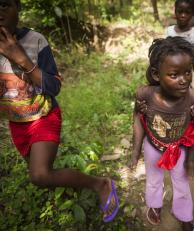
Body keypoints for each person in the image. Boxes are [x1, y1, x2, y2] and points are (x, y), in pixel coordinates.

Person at [0, 0, 118, 223]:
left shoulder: (36, 40)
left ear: (18, 8)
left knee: (39, 175)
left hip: (43, 116)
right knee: (41, 171)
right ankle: (66, 192)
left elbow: (54, 87)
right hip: (17, 122)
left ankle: (99, 183)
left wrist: (20, 58)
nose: (0, 11)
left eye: (5, 5)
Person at [128, 37, 194, 231]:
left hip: (179, 149)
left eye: (187, 72)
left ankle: (184, 215)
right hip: (153, 147)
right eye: (174, 75)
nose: (183, 80)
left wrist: (190, 161)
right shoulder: (145, 95)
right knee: (153, 180)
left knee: (182, 185)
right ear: (157, 75)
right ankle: (155, 205)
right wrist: (135, 153)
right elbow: (138, 121)